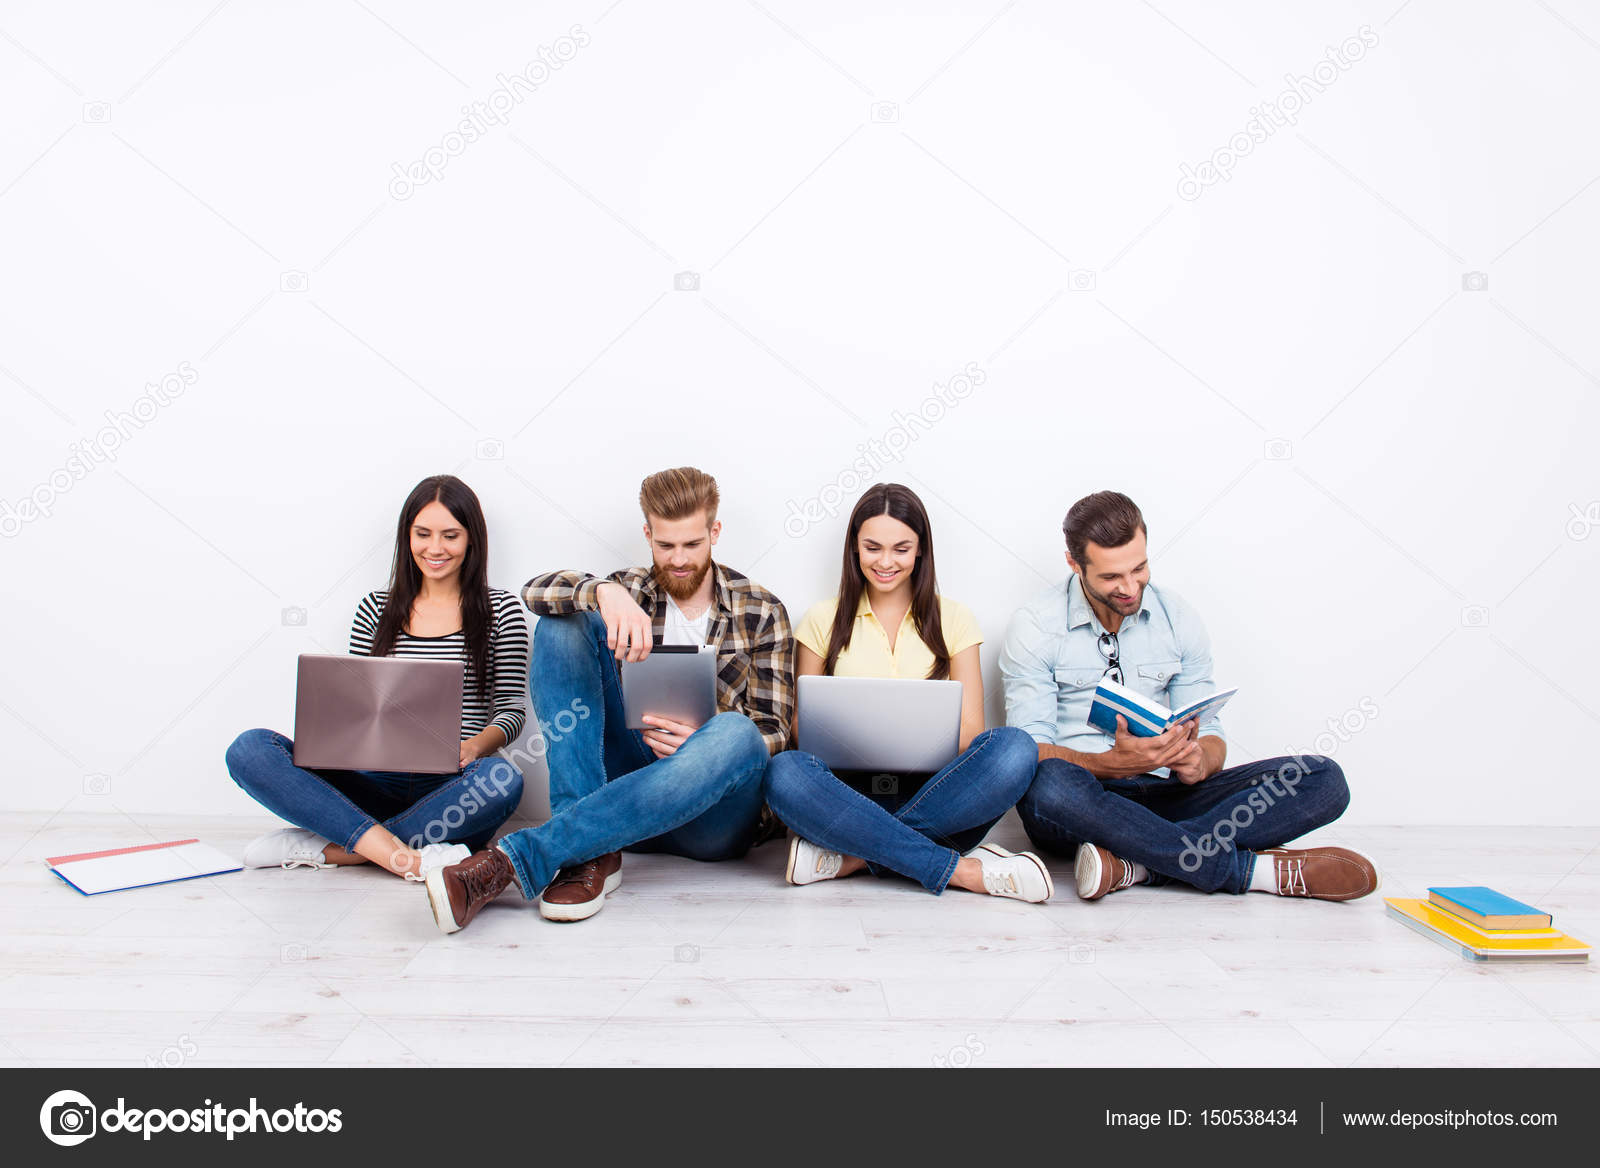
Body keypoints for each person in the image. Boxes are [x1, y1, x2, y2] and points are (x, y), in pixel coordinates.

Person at [425, 466, 792, 933]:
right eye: (665, 545)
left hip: (711, 819)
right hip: (629, 780)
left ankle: (519, 859)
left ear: (714, 532)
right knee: (561, 624)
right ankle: (590, 856)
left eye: (692, 545)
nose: (678, 559)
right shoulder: (629, 587)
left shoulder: (761, 609)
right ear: (647, 534)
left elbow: (777, 729)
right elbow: (535, 592)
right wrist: (601, 591)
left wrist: (704, 741)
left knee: (739, 733)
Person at [1000, 490, 1378, 902]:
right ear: (1075, 564)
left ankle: (1139, 865)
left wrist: (1202, 761)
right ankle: (1246, 871)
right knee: (1049, 786)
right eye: (1111, 577)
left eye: (1139, 568)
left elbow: (1211, 731)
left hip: (1170, 795)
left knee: (1323, 779)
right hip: (1085, 805)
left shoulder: (1178, 618)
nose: (1129, 587)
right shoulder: (1035, 627)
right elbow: (1030, 750)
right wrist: (1110, 764)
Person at [226, 474, 527, 882]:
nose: (435, 548)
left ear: (471, 539)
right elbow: (359, 706)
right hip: (370, 781)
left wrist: (473, 746)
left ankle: (337, 849)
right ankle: (413, 856)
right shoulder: (375, 609)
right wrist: (336, 739)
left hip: (449, 786)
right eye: (423, 534)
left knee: (503, 778)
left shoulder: (501, 610)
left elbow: (510, 711)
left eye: (450, 536)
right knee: (250, 749)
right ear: (406, 537)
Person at [762, 483, 1051, 902]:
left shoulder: (954, 618)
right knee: (784, 771)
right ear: (854, 550)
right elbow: (801, 729)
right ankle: (959, 870)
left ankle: (856, 856)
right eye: (872, 547)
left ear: (920, 551)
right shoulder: (822, 619)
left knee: (1016, 748)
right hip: (847, 792)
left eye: (901, 548)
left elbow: (973, 728)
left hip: (938, 792)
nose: (885, 562)